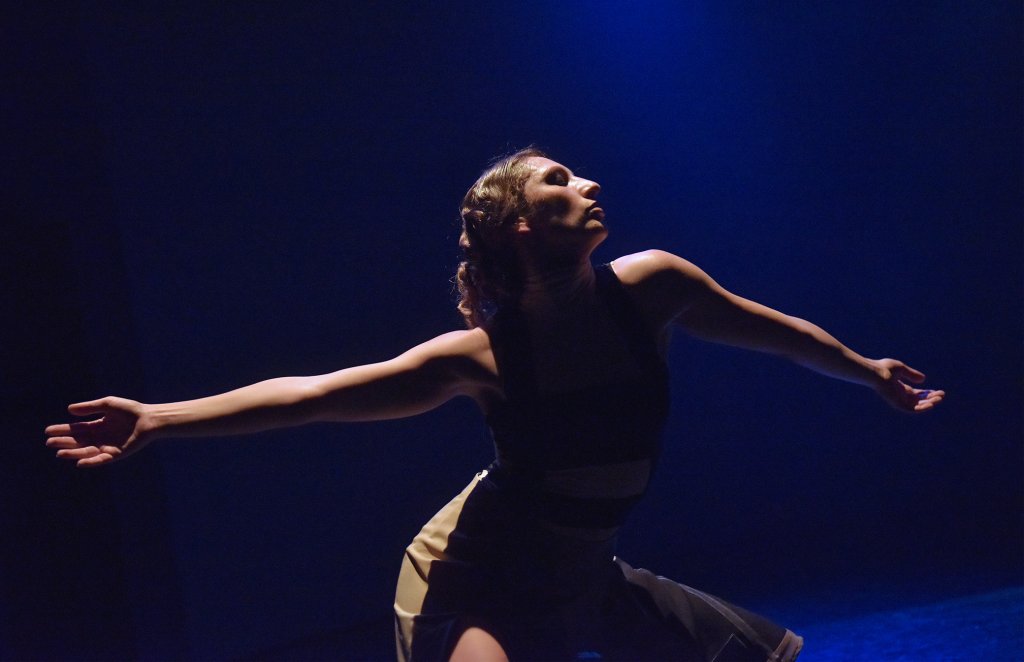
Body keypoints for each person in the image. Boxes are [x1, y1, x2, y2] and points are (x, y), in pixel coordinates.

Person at [45, 147, 944, 661]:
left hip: (582, 571)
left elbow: (780, 332)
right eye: (559, 181)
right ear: (521, 225)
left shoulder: (653, 288)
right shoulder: (483, 357)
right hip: (471, 573)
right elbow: (314, 396)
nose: (588, 186)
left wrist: (867, 369)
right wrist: (160, 417)